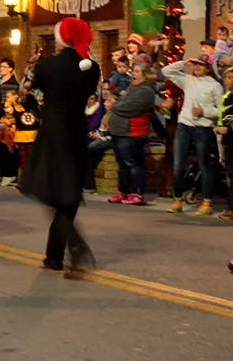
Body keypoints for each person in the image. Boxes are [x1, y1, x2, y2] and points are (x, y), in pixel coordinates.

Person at [20, 18, 101, 278]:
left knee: (54, 193)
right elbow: (86, 92)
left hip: (53, 133)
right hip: (77, 132)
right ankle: (53, 255)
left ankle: (76, 247)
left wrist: (31, 88)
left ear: (61, 38)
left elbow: (33, 93)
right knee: (68, 194)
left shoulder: (48, 65)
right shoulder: (92, 68)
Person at [162, 55, 224, 215]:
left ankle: (207, 203)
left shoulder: (215, 86)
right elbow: (166, 71)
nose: (196, 67)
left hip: (203, 129)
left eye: (200, 65)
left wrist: (204, 111)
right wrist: (183, 63)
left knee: (204, 165)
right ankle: (177, 200)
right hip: (184, 126)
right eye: (195, 64)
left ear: (208, 68)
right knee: (178, 165)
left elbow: (220, 110)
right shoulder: (187, 80)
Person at [107, 63, 157, 206]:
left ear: (145, 74)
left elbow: (129, 108)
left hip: (132, 132)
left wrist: (113, 105)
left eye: (136, 71)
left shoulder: (146, 90)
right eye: (133, 71)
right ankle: (123, 191)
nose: (133, 74)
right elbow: (122, 102)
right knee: (122, 165)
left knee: (133, 164)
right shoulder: (131, 88)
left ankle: (136, 193)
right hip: (119, 131)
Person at [215, 68, 233, 221]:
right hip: (228, 142)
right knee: (230, 176)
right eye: (225, 77)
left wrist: (228, 129)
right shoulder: (227, 96)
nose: (226, 80)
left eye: (230, 77)